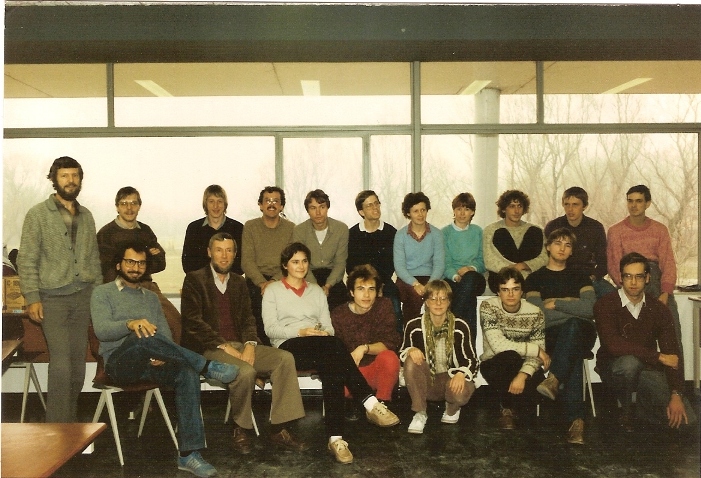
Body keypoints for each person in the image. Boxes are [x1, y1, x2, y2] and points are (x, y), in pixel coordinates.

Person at [90, 241, 239, 478]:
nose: (135, 267)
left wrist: (163, 356)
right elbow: (102, 331)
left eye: (140, 263)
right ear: (119, 264)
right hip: (119, 365)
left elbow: (166, 336)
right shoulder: (102, 293)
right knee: (141, 335)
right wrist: (130, 324)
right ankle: (207, 366)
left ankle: (189, 454)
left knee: (185, 373)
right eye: (130, 262)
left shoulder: (151, 297)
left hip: (149, 363)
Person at [262, 242, 400, 465]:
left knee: (333, 360)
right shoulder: (273, 290)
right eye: (295, 261)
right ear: (285, 265)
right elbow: (270, 329)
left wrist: (318, 333)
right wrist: (301, 331)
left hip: (319, 346)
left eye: (305, 261)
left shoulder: (316, 291)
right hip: (287, 347)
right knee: (335, 349)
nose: (301, 266)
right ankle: (369, 402)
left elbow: (328, 327)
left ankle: (336, 439)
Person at [180, 232, 307, 455]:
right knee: (246, 371)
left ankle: (279, 428)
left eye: (229, 250)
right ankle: (240, 428)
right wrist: (225, 346)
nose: (224, 255)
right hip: (210, 349)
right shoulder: (194, 279)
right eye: (219, 250)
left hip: (240, 344)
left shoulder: (239, 282)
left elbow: (249, 318)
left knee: (285, 359)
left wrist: (249, 344)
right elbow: (193, 322)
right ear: (209, 252)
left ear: (235, 255)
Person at [17, 156, 102, 423]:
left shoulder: (86, 216)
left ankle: (71, 430)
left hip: (83, 298)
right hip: (52, 299)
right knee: (61, 365)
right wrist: (32, 297)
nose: (70, 181)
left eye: (75, 175)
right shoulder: (38, 214)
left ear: (80, 179)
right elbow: (27, 258)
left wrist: (97, 298)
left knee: (78, 367)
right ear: (54, 179)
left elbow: (94, 259)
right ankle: (55, 430)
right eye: (64, 176)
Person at [595, 252, 696, 432]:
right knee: (629, 363)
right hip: (614, 368)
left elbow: (672, 354)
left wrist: (676, 394)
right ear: (620, 278)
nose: (633, 282)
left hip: (647, 370)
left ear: (647, 278)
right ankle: (626, 412)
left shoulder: (658, 309)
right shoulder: (605, 304)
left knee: (686, 422)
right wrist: (658, 356)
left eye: (639, 277)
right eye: (628, 276)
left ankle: (641, 408)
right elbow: (614, 345)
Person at [523, 228, 597, 444]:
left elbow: (591, 308)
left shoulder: (581, 277)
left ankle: (554, 378)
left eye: (567, 245)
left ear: (572, 251)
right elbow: (537, 313)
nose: (562, 248)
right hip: (551, 335)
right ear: (548, 247)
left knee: (573, 327)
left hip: (583, 331)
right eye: (558, 243)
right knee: (571, 349)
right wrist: (573, 303)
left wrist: (556, 302)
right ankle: (576, 423)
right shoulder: (535, 278)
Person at [606, 184, 682, 355]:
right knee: (637, 336)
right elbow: (614, 265)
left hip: (654, 279)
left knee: (672, 331)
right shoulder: (615, 231)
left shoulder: (660, 230)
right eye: (630, 201)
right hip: (629, 281)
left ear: (647, 203)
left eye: (639, 201)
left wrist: (665, 293)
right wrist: (629, 291)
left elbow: (668, 263)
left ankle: (675, 381)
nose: (634, 205)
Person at [400, 280, 478, 434]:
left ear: (449, 302)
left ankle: (452, 408)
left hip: (450, 380)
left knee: (461, 394)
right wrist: (411, 350)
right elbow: (402, 351)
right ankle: (420, 413)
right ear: (426, 302)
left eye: (443, 298)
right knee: (411, 358)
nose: (438, 303)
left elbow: (472, 360)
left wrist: (461, 373)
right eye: (433, 298)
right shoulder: (413, 325)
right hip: (427, 381)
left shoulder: (460, 325)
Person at [479, 267, 550, 430]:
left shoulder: (536, 313)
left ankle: (512, 405)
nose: (510, 295)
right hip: (495, 364)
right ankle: (506, 409)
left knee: (535, 392)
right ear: (498, 292)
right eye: (505, 290)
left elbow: (538, 356)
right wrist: (536, 350)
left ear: (522, 291)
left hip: (523, 367)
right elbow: (498, 346)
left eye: (515, 289)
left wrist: (523, 374)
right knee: (509, 356)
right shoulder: (488, 307)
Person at [331, 264, 401, 416]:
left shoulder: (384, 306)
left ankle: (381, 407)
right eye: (361, 289)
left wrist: (364, 348)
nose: (366, 295)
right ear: (351, 292)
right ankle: (357, 402)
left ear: (377, 292)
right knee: (334, 383)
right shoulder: (339, 314)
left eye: (371, 289)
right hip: (352, 374)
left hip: (377, 372)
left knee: (390, 357)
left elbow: (390, 342)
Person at [241, 186, 295, 346]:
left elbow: (291, 260)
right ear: (260, 205)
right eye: (267, 201)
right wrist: (262, 283)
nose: (271, 204)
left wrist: (273, 281)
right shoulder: (250, 226)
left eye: (276, 201)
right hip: (256, 282)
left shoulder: (291, 228)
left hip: (282, 279)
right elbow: (247, 261)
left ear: (281, 206)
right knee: (255, 314)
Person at [544, 186, 614, 299]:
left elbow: (603, 261)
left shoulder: (595, 228)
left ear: (584, 206)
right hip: (559, 276)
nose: (570, 209)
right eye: (567, 204)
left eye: (575, 204)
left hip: (587, 277)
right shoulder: (553, 226)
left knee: (613, 297)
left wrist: (593, 277)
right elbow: (545, 257)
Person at [346, 190, 402, 327]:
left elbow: (390, 265)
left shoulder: (391, 232)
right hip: (360, 281)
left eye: (376, 203)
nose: (375, 207)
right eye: (369, 205)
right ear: (361, 211)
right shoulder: (352, 234)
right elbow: (350, 266)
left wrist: (378, 285)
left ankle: (399, 341)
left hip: (383, 281)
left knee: (393, 300)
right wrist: (367, 284)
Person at [393, 192, 445, 327]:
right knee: (414, 297)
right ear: (408, 213)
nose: (420, 214)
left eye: (423, 210)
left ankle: (433, 334)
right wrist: (415, 283)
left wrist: (430, 283)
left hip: (430, 277)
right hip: (407, 279)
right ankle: (412, 336)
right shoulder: (401, 235)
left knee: (435, 298)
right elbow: (399, 267)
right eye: (416, 211)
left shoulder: (436, 234)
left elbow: (439, 264)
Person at [292, 189, 349, 311]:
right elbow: (300, 263)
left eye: (322, 207)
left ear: (327, 207)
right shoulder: (299, 231)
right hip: (307, 276)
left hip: (333, 278)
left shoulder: (341, 229)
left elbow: (340, 263)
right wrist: (315, 288)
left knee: (341, 310)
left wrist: (328, 286)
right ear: (307, 211)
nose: (318, 212)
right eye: (313, 208)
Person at [442, 192, 486, 347]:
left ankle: (452, 322)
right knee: (469, 302)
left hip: (474, 278)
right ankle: (469, 349)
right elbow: (445, 261)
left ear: (472, 212)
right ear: (453, 210)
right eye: (459, 209)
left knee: (470, 279)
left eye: (466, 209)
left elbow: (482, 261)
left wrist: (470, 268)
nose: (462, 213)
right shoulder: (445, 233)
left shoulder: (478, 232)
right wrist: (454, 275)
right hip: (452, 279)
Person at [483, 189, 547, 293]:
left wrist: (523, 266)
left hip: (529, 275)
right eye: (512, 206)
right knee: (501, 234)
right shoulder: (491, 230)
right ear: (504, 209)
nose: (516, 211)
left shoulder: (536, 231)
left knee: (533, 232)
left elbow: (544, 257)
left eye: (520, 206)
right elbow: (489, 260)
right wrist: (514, 272)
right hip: (500, 276)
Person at [97, 186, 166, 283]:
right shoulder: (106, 233)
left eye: (134, 203)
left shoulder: (146, 231)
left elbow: (161, 262)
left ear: (139, 206)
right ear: (117, 207)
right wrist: (145, 257)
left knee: (159, 299)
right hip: (117, 288)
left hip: (145, 286)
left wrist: (126, 262)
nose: (129, 208)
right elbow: (106, 267)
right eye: (124, 203)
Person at [183, 184, 244, 275]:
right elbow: (187, 264)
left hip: (230, 283)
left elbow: (242, 263)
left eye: (219, 201)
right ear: (205, 204)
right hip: (201, 283)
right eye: (211, 201)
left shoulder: (237, 228)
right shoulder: (194, 228)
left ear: (225, 204)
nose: (216, 206)